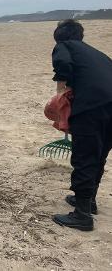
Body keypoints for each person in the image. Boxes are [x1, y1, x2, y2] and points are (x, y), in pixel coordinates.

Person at [51, 19, 112, 231]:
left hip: (92, 109)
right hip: (109, 108)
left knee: (84, 158)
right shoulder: (97, 54)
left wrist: (61, 95)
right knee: (98, 154)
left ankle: (82, 216)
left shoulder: (64, 46)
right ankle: (89, 201)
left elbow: (64, 65)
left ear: (59, 35)